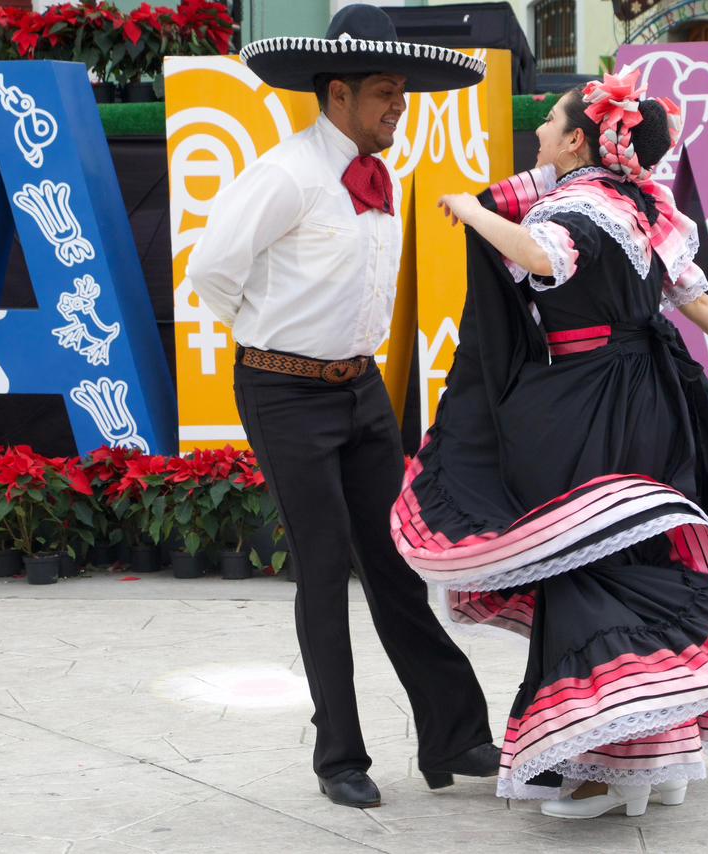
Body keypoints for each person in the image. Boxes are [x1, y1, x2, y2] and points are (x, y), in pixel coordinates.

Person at [390, 70, 708, 818]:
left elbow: (545, 256)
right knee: (637, 556)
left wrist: (469, 210)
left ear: (582, 139)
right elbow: (695, 299)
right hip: (651, 398)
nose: (538, 137)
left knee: (588, 569)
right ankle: (665, 756)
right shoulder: (642, 204)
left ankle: (605, 767)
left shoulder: (580, 208)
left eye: (550, 126)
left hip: (590, 404)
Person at [185, 4, 499, 809]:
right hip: (283, 390)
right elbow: (214, 270)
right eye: (386, 92)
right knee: (323, 570)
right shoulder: (284, 175)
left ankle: (455, 736)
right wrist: (272, 339)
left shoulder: (380, 177)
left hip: (361, 389)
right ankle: (339, 759)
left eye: (403, 91)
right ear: (337, 93)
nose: (400, 104)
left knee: (396, 563)